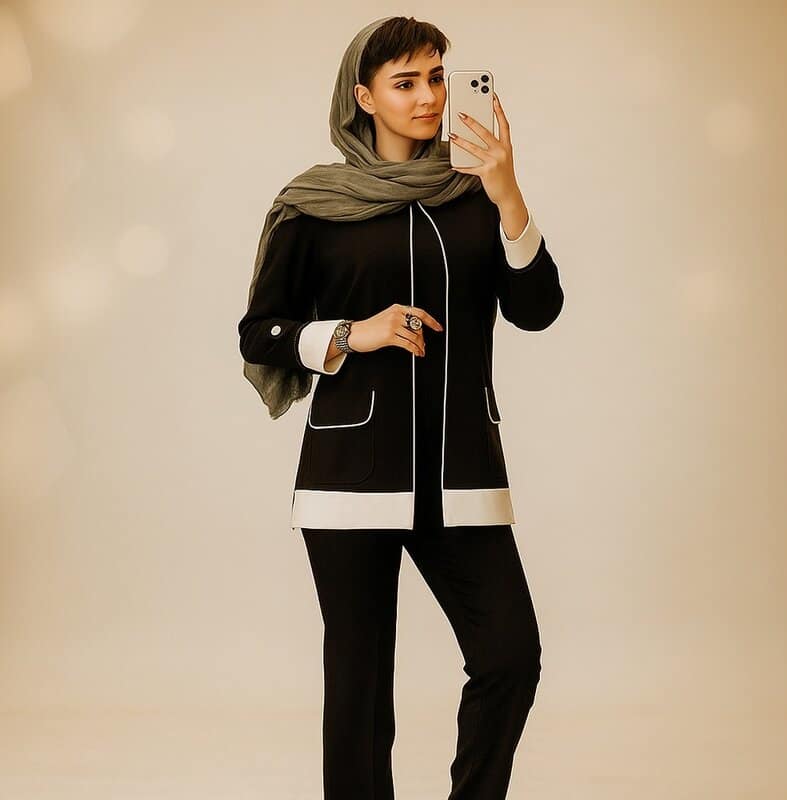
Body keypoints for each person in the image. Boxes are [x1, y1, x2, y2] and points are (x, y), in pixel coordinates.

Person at [237, 15, 564, 800]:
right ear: (364, 97)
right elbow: (259, 332)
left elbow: (538, 307)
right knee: (359, 690)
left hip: (460, 470)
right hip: (351, 475)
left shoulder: (474, 194)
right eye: (406, 82)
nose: (429, 97)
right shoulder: (315, 205)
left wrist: (509, 194)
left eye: (437, 77)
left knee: (510, 656)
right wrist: (353, 333)